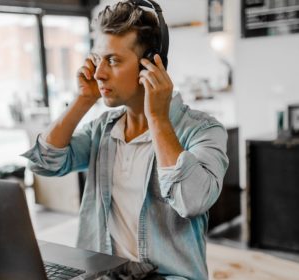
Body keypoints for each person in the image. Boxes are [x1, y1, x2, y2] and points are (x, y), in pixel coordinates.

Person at [22, 0, 228, 279]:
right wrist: (83, 100)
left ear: (151, 66)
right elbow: (44, 163)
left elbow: (191, 201)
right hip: (101, 274)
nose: (98, 73)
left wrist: (157, 119)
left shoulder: (203, 130)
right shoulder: (103, 130)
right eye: (97, 60)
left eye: (113, 60)